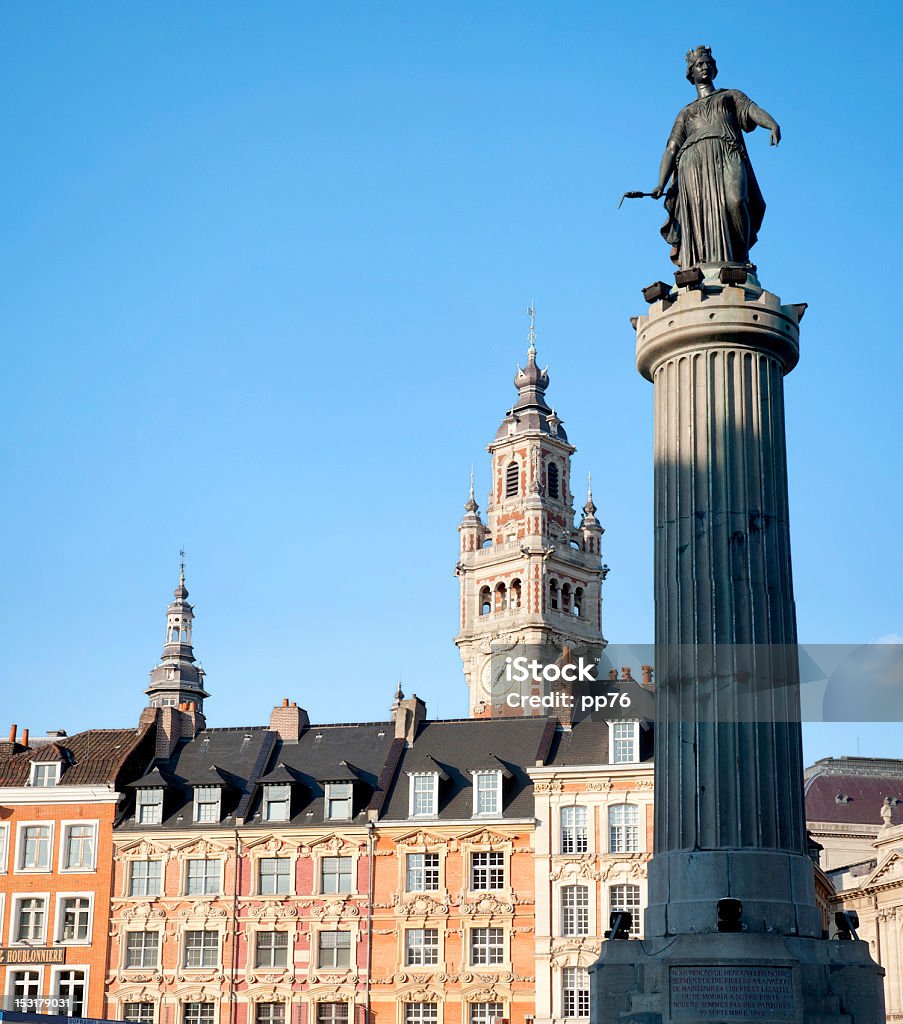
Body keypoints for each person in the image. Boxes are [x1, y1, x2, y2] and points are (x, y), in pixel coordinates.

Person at [650, 46, 781, 269]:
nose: (704, 67)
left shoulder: (730, 96)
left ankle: (740, 258)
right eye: (699, 64)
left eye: (708, 63)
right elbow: (672, 148)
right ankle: (703, 263)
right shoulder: (685, 113)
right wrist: (660, 183)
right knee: (701, 216)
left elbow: (752, 110)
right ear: (690, 73)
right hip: (693, 163)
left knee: (736, 200)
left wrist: (772, 124)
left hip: (727, 152)